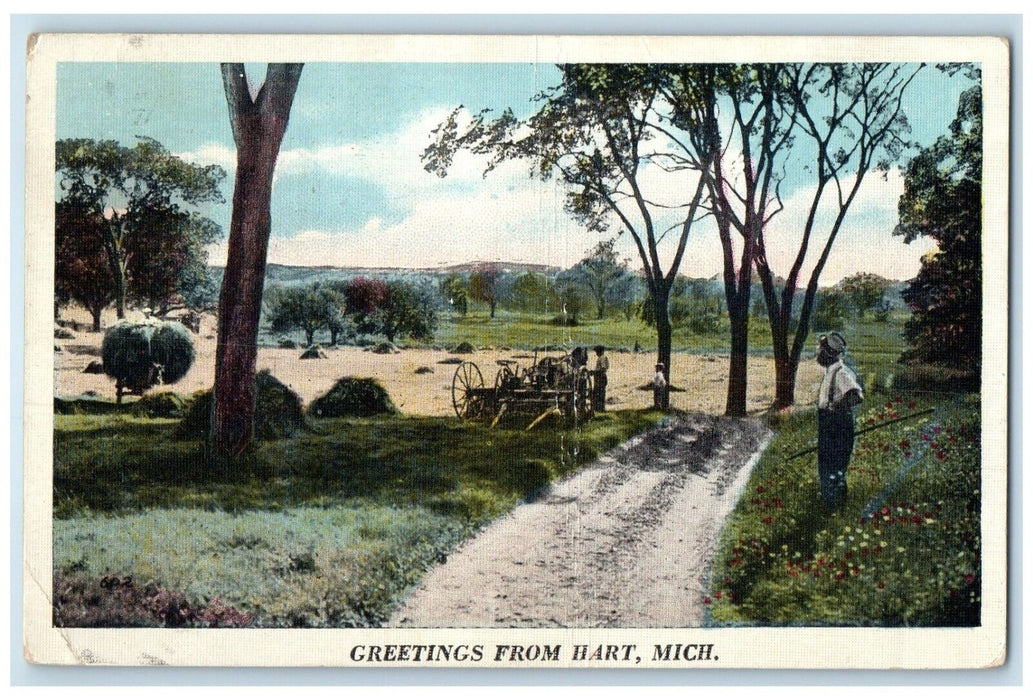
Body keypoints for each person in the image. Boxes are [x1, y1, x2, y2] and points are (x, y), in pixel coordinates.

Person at [815, 332, 864, 508]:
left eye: (820, 349)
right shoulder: (831, 371)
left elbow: (856, 395)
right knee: (827, 466)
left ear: (828, 352)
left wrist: (837, 406)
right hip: (829, 424)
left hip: (837, 424)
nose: (817, 352)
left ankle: (835, 506)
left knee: (834, 467)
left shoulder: (841, 373)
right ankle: (829, 504)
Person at [592, 345, 609, 412]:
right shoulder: (601, 358)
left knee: (600, 393)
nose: (596, 353)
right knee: (598, 392)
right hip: (599, 377)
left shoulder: (602, 358)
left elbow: (603, 368)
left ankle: (600, 408)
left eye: (597, 351)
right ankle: (599, 408)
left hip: (601, 377)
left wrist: (594, 372)